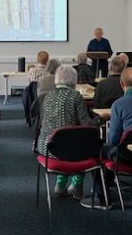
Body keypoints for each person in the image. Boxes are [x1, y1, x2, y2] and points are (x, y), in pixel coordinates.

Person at [82, 67, 132, 209]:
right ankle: (110, 183)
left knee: (99, 150)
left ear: (122, 84)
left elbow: (113, 139)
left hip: (129, 157)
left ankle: (101, 197)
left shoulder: (119, 105)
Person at [36, 66, 98, 200]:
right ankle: (76, 185)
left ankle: (61, 183)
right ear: (74, 80)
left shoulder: (47, 96)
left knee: (65, 140)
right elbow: (86, 124)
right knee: (86, 144)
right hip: (65, 148)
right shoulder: (75, 96)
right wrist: (99, 119)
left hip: (46, 147)